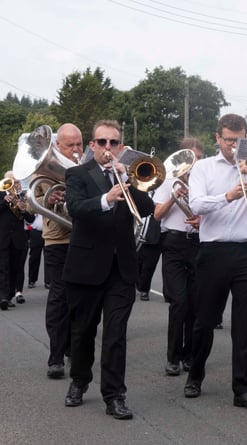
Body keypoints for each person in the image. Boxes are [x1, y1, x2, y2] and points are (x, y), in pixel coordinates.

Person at [184, 113, 247, 410]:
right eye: (229, 140)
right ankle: (196, 374)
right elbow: (196, 204)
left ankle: (243, 388)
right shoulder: (203, 168)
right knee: (205, 321)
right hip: (213, 252)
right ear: (218, 138)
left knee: (244, 322)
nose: (234, 146)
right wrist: (228, 195)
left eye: (240, 141)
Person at [62, 120, 155, 419]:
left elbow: (147, 207)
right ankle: (79, 379)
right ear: (92, 145)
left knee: (116, 333)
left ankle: (114, 395)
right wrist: (106, 198)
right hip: (86, 265)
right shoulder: (77, 173)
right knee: (83, 331)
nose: (107, 148)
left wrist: (128, 180)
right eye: (101, 142)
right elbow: (75, 207)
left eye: (113, 143)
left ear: (121, 147)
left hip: (122, 269)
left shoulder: (127, 176)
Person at [31, 123, 83, 378]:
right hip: (57, 241)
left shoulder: (86, 167)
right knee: (59, 298)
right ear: (57, 146)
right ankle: (56, 357)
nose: (76, 150)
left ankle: (74, 350)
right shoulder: (43, 169)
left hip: (83, 240)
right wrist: (47, 200)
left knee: (81, 298)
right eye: (70, 145)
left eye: (79, 145)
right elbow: (30, 205)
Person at [152, 137, 204, 376]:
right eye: (190, 159)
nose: (194, 165)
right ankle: (172, 357)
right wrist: (175, 196)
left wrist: (201, 218)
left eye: (198, 159)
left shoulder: (204, 181)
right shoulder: (168, 180)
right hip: (173, 243)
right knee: (179, 302)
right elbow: (157, 215)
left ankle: (189, 354)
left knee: (195, 303)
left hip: (198, 243)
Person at [0, 171, 35, 310]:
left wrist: (23, 209)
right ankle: (2, 297)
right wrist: (4, 201)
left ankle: (8, 296)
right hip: (3, 238)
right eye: (10, 181)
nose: (13, 184)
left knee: (15, 268)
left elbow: (31, 219)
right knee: (3, 268)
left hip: (18, 239)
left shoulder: (22, 197)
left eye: (15, 181)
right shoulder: (1, 195)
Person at [135, 213, 162, 301]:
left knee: (149, 266)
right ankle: (136, 282)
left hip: (154, 233)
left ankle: (144, 289)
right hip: (137, 232)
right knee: (136, 263)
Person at [26, 213, 44, 289]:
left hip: (51, 231)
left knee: (50, 257)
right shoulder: (35, 201)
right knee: (34, 256)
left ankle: (49, 281)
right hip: (37, 231)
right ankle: (32, 280)